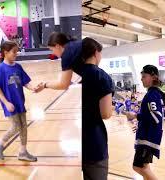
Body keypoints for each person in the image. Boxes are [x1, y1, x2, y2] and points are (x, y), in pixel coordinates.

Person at [44, 33, 113, 180]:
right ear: (96, 53)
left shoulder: (78, 72)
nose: (53, 53)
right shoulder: (102, 77)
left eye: (52, 50)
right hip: (94, 143)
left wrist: (45, 85)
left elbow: (64, 84)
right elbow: (106, 114)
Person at [0, 41, 42, 161]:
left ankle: (23, 152)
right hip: (10, 104)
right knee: (15, 126)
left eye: (16, 51)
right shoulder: (0, 69)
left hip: (20, 102)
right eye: (14, 51)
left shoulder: (18, 66)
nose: (16, 53)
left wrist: (33, 88)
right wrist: (6, 103)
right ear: (5, 52)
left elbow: (25, 82)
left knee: (23, 126)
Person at [125, 65, 165, 180]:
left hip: (148, 138)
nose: (141, 79)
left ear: (153, 77)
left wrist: (136, 116)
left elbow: (156, 116)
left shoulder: (152, 94)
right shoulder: (153, 93)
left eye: (144, 76)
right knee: (145, 167)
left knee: (138, 167)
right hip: (148, 136)